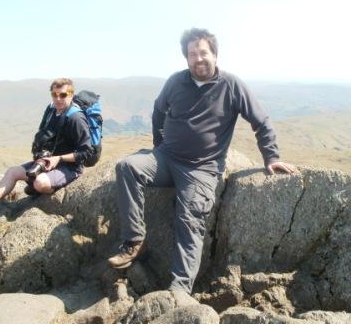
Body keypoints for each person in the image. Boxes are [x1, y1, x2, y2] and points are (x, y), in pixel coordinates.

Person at [108, 28, 296, 294]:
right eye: (192, 54)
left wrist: (271, 156)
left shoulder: (231, 85)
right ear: (186, 58)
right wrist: (158, 145)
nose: (198, 59)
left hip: (201, 169)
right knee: (127, 167)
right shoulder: (175, 82)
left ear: (215, 54)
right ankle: (135, 241)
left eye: (203, 52)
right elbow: (158, 111)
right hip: (167, 157)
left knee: (190, 218)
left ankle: (180, 291)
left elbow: (261, 121)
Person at [0, 78, 93, 223]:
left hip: (70, 166)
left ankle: (38, 187)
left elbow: (86, 152)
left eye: (62, 95)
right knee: (12, 172)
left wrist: (59, 159)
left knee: (39, 183)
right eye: (54, 94)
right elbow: (43, 134)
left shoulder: (76, 118)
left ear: (71, 95)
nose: (58, 99)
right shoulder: (51, 110)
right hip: (47, 162)